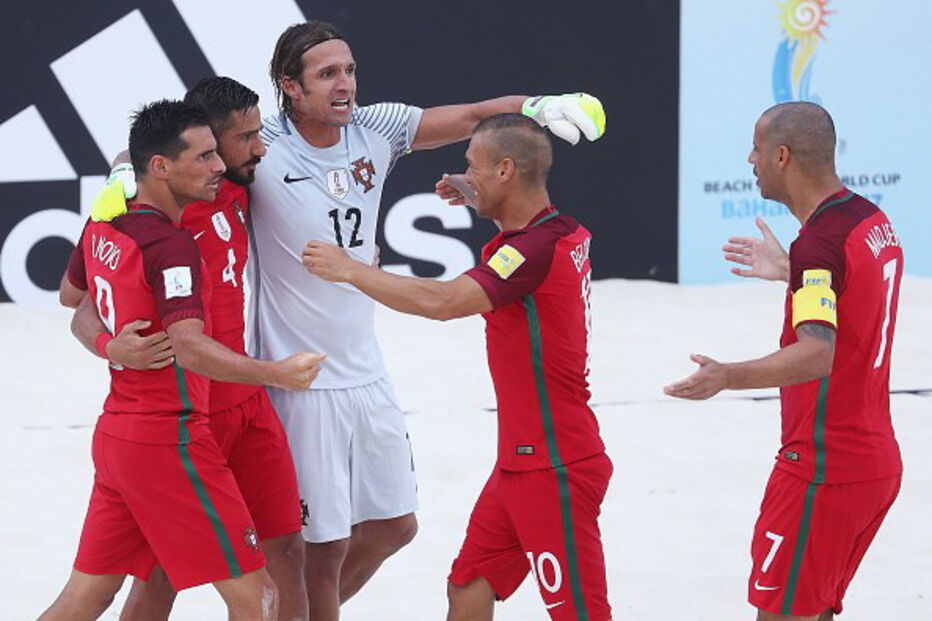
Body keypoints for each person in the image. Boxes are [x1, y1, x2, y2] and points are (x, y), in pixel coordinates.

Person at [249, 20, 605, 619]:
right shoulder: (260, 143)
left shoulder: (375, 128)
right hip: (301, 375)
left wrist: (538, 105)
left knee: (394, 526)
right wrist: (127, 175)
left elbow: (472, 118)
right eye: (327, 74)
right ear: (291, 86)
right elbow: (167, 146)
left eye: (350, 70)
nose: (346, 84)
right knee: (323, 545)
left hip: (367, 368)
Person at [43, 100, 323, 621]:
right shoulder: (172, 245)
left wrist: (109, 346)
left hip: (120, 431)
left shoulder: (109, 220)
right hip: (168, 436)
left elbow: (69, 293)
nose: (218, 165)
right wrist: (277, 372)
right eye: (204, 156)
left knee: (83, 599)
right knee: (256, 599)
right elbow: (190, 346)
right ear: (162, 167)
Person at [665, 102, 903, 621]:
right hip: (873, 463)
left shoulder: (821, 244)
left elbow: (818, 353)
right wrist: (794, 271)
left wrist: (729, 376)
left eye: (756, 148)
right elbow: (850, 289)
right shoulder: (868, 218)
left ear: (782, 155)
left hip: (823, 468)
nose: (749, 159)